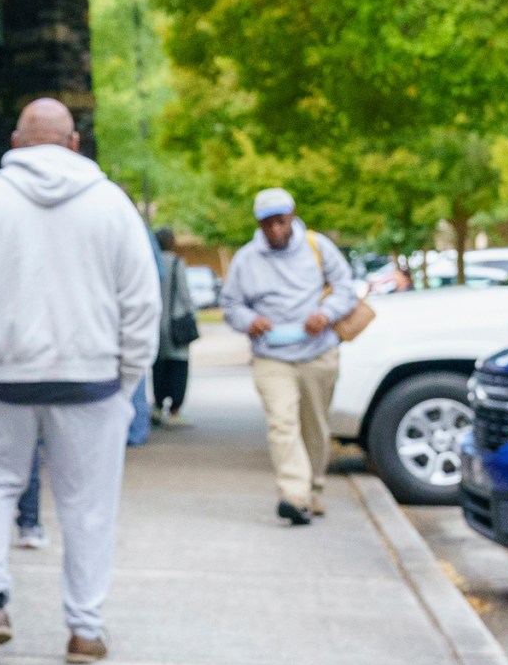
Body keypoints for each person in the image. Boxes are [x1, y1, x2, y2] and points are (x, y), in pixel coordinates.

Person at [0, 98, 160, 665]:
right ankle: (84, 629)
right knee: (88, 505)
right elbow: (141, 303)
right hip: (91, 379)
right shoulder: (112, 206)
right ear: (74, 143)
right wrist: (126, 376)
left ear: (15, 139)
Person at [219, 187, 361, 526]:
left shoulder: (318, 247)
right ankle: (293, 494)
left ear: (293, 216)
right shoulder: (246, 259)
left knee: (315, 426)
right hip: (271, 354)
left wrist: (326, 313)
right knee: (282, 423)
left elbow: (346, 288)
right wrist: (250, 321)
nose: (275, 231)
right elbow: (230, 305)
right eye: (267, 224)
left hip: (317, 350)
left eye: (280, 222)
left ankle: (313, 488)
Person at [151, 226, 198, 425]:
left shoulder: (151, 261)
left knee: (159, 367)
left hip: (156, 322)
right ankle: (175, 411)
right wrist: (191, 315)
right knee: (179, 367)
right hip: (175, 323)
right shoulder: (177, 263)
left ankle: (158, 406)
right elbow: (185, 294)